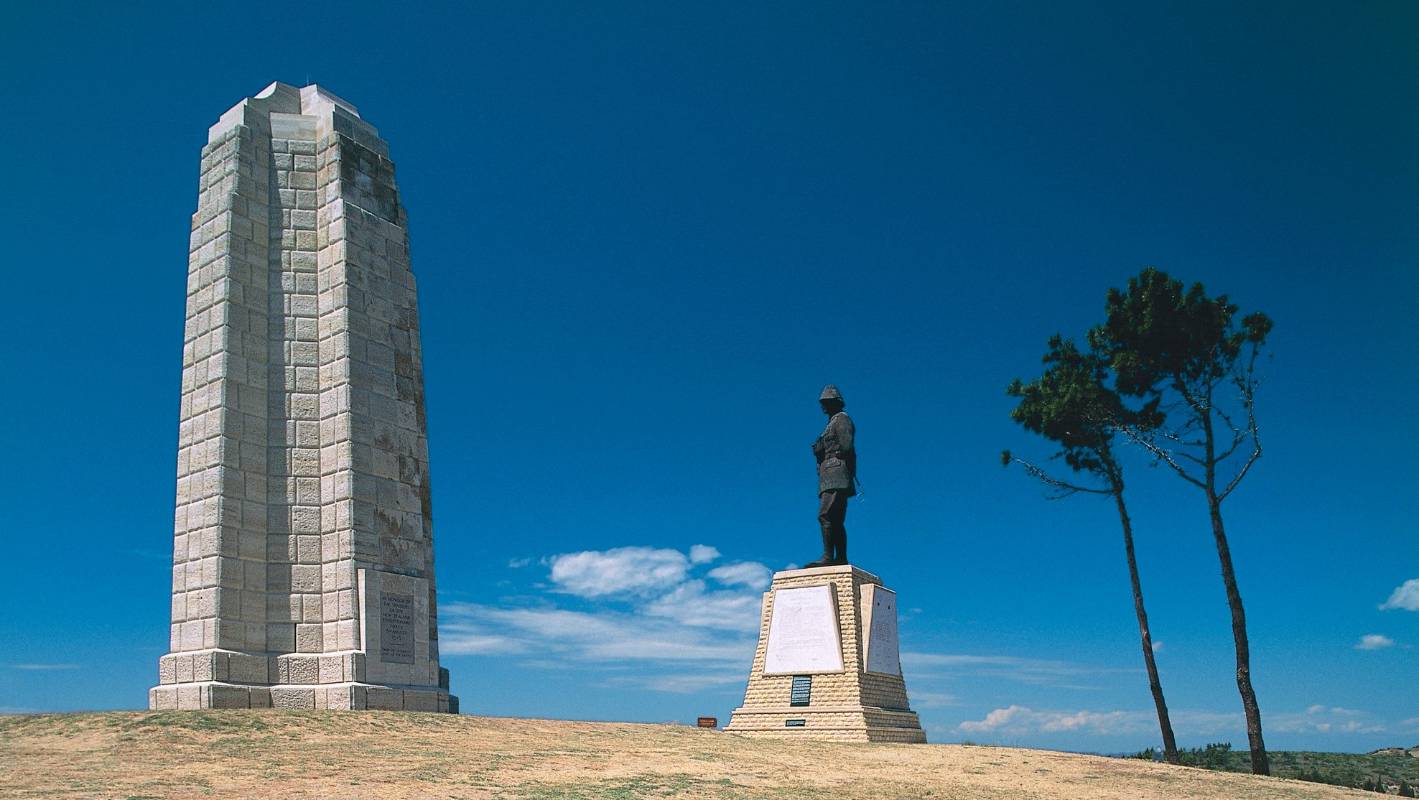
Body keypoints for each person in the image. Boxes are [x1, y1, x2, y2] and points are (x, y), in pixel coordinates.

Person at [806, 384, 855, 567]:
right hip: (828, 474)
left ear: (836, 402)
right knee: (834, 518)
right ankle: (839, 557)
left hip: (836, 472)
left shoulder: (842, 419)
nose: (823, 406)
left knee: (826, 515)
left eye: (827, 402)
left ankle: (829, 556)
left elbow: (847, 446)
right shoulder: (830, 423)